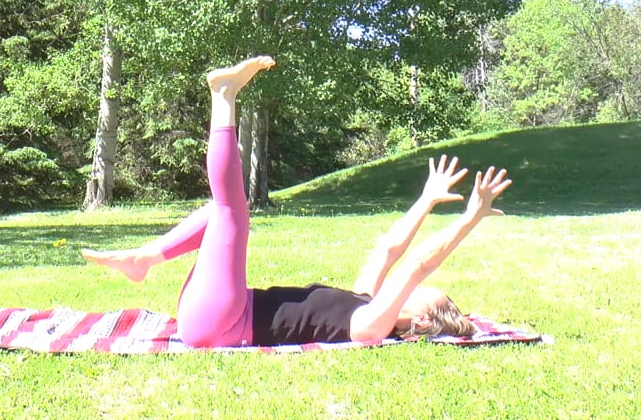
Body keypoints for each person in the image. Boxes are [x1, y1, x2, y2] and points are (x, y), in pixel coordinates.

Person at [81, 56, 511, 348]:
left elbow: (418, 265)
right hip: (219, 311)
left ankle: (223, 96)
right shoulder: (363, 302)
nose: (408, 286)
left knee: (232, 212)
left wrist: (470, 218)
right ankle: (143, 260)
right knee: (219, 213)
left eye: (417, 294)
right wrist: (426, 200)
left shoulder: (372, 326)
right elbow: (389, 251)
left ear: (418, 324)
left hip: (224, 323)